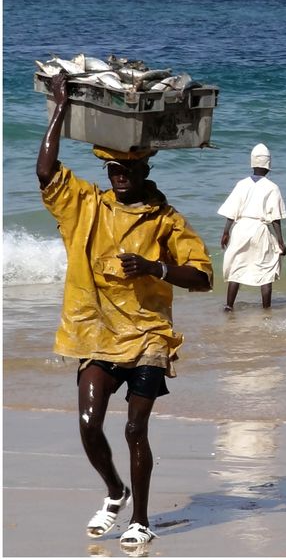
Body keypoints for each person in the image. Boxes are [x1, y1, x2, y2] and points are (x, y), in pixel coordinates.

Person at [36, 72, 213, 550]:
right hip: (97, 332)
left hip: (150, 336)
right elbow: (46, 173)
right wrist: (58, 108)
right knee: (89, 425)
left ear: (143, 174)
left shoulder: (167, 220)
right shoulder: (86, 206)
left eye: (126, 172)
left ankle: (140, 518)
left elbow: (202, 277)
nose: (118, 178)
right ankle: (115, 490)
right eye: (112, 170)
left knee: (136, 427)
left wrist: (156, 268)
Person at [218, 143, 286, 312]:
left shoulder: (241, 184)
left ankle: (229, 306)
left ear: (252, 163)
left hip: (240, 228)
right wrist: (280, 241)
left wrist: (226, 231)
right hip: (260, 230)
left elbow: (232, 211)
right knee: (265, 270)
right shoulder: (272, 188)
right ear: (269, 164)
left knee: (236, 266)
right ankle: (266, 309)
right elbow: (275, 218)